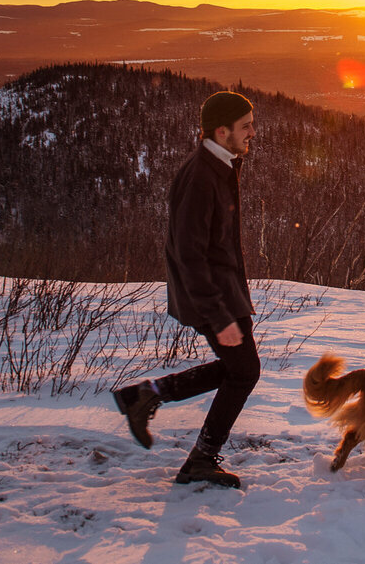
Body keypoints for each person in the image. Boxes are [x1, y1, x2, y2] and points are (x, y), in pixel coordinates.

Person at [112, 90, 261, 488]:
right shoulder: (201, 176)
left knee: (238, 370)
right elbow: (189, 254)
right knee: (245, 372)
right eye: (245, 126)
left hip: (223, 292)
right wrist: (218, 315)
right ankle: (198, 457)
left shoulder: (220, 165)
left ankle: (146, 396)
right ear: (221, 130)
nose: (252, 133)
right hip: (213, 297)